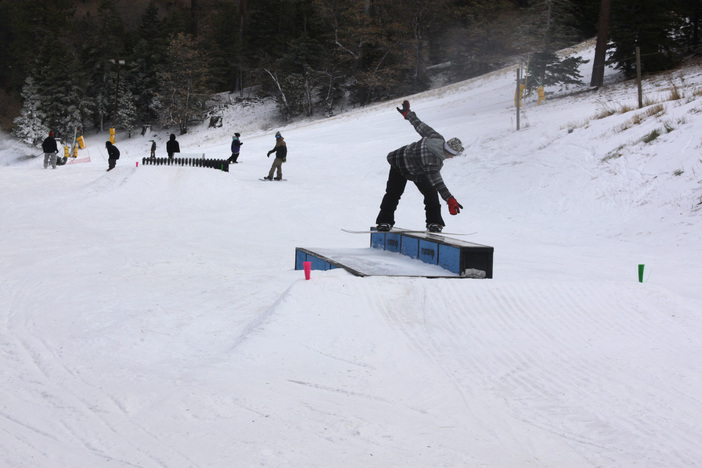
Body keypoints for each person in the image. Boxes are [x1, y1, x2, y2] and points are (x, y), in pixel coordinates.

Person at [375, 100, 464, 233]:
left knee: (428, 194)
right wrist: (450, 199)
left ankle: (434, 223)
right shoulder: (432, 162)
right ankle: (384, 222)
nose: (452, 158)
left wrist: (407, 113)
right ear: (450, 153)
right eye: (454, 155)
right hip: (399, 164)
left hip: (417, 170)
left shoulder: (437, 138)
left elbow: (419, 125)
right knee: (394, 193)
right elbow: (438, 184)